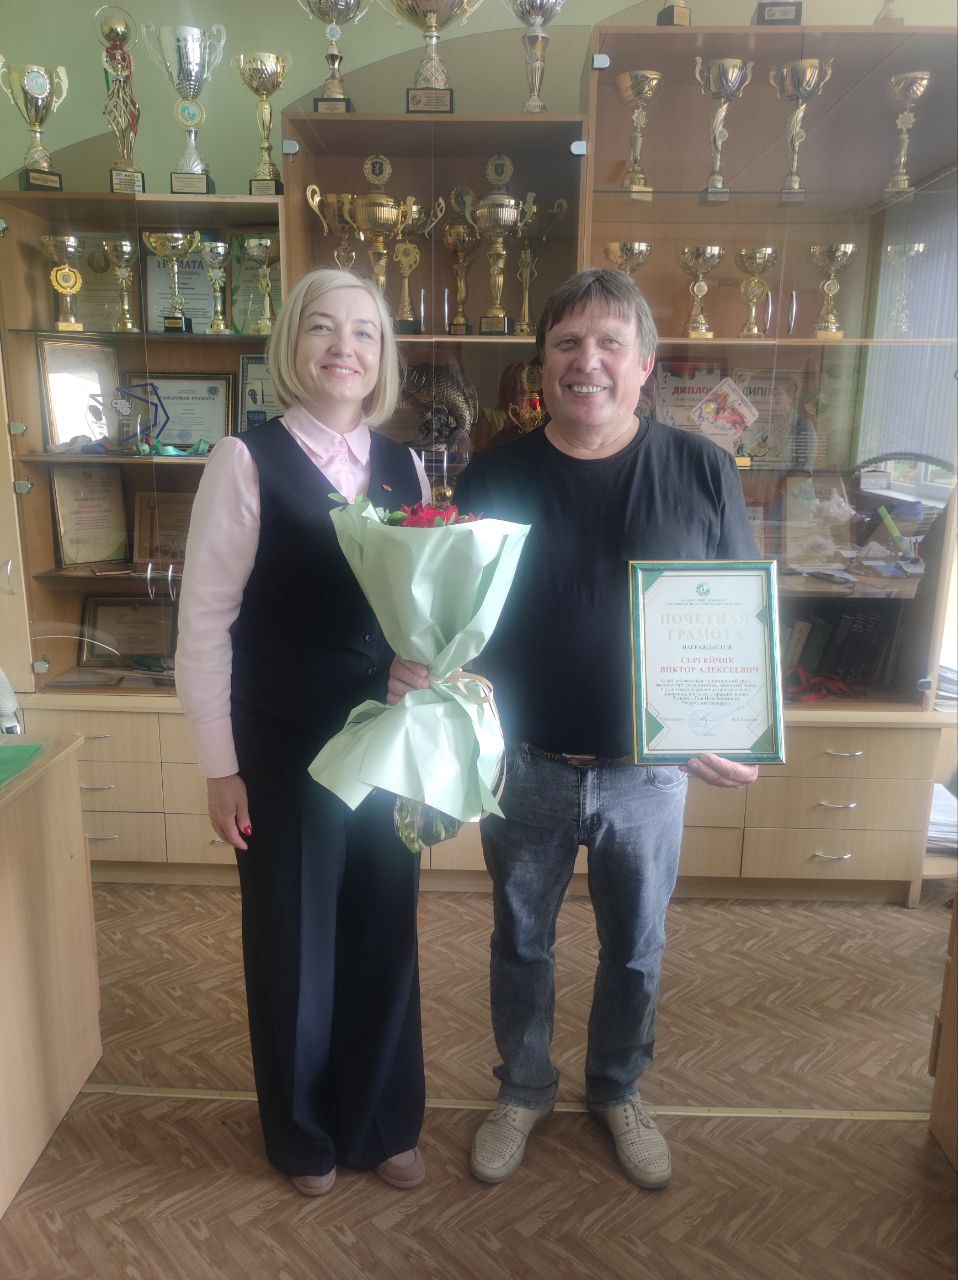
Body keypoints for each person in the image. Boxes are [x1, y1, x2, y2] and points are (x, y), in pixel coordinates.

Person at [389, 268, 759, 1191]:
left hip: (651, 773)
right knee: (521, 942)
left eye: (608, 344)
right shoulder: (494, 474)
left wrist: (734, 726)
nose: (586, 361)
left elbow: (736, 615)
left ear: (644, 366)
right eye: (566, 344)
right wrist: (423, 667)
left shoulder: (703, 469)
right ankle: (522, 1088)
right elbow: (456, 617)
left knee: (635, 948)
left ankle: (617, 1088)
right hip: (526, 765)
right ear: (541, 366)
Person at [176, 268, 433, 1197]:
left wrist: (423, 666)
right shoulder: (245, 461)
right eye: (323, 328)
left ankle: (381, 1121)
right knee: (293, 942)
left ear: (381, 355)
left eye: (364, 332)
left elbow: (419, 608)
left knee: (383, 931)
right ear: (293, 344)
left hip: (386, 743)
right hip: (284, 749)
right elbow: (203, 624)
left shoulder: (406, 465)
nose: (343, 348)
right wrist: (220, 767)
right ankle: (303, 1135)